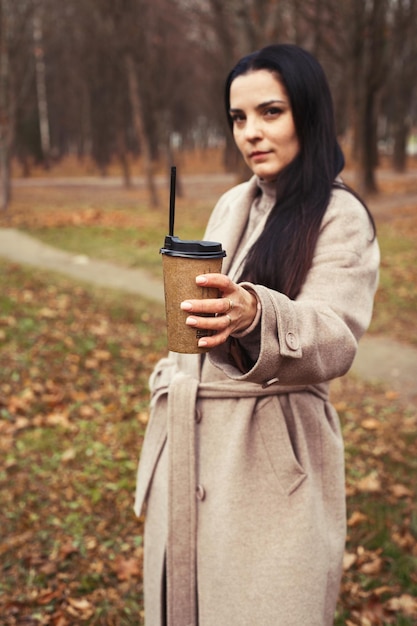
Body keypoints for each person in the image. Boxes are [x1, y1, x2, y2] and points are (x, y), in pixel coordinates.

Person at [134, 43, 379, 626]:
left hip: (269, 463)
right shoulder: (233, 201)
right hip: (194, 447)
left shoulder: (340, 215)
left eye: (271, 112)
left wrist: (256, 314)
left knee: (261, 604)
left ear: (308, 115)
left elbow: (335, 333)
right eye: (238, 118)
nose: (251, 133)